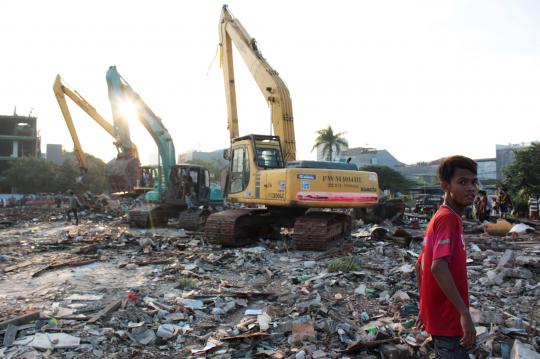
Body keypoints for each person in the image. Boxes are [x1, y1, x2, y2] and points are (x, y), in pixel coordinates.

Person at [416, 156, 477, 358]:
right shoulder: (448, 219)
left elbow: (420, 265)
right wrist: (464, 313)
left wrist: (423, 307)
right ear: (445, 186)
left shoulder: (440, 217)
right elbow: (437, 267)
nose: (471, 188)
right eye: (462, 182)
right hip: (449, 319)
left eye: (473, 182)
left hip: (440, 317)